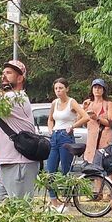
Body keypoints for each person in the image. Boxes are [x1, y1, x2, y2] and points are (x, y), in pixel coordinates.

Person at [0, 59, 39, 200]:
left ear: (20, 78)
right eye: (3, 73)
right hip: (6, 163)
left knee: (20, 209)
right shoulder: (5, 98)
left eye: (9, 72)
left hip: (18, 163)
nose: (4, 76)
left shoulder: (16, 97)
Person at [44, 78, 89, 206]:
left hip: (66, 136)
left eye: (61, 88)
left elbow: (86, 117)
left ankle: (67, 200)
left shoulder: (71, 102)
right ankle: (54, 201)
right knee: (50, 170)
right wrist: (50, 130)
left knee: (66, 170)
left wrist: (73, 126)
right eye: (56, 88)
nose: (58, 91)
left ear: (67, 89)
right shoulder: (54, 103)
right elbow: (50, 119)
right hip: (55, 136)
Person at [81, 78, 112, 193]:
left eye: (99, 87)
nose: (97, 90)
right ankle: (98, 192)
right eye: (95, 87)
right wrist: (83, 108)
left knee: (109, 166)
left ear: (103, 90)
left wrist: (97, 118)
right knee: (96, 166)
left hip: (106, 139)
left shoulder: (108, 104)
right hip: (92, 141)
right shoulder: (89, 104)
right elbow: (81, 121)